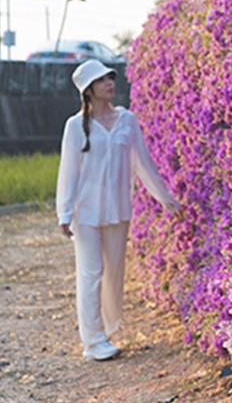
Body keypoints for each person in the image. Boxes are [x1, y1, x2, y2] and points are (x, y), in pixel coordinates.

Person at [56, 59, 180, 361]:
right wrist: (64, 213)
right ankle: (93, 341)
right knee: (91, 273)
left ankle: (106, 329)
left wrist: (164, 197)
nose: (110, 83)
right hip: (85, 212)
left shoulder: (127, 120)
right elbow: (68, 171)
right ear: (89, 90)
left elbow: (143, 164)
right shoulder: (75, 126)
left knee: (114, 273)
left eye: (110, 78)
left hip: (118, 210)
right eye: (102, 81)